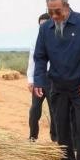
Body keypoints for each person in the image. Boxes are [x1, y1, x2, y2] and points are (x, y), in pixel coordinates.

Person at [33, 0, 80, 160]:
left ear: (67, 6)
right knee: (61, 126)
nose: (54, 16)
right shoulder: (45, 29)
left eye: (58, 11)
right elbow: (39, 57)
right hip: (57, 85)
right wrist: (39, 81)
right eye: (50, 12)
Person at [26, 12, 56, 142]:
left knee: (54, 110)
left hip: (54, 80)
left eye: (45, 25)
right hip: (39, 79)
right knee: (34, 110)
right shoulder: (36, 41)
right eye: (40, 25)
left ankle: (56, 139)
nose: (42, 28)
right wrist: (30, 80)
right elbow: (32, 61)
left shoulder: (58, 39)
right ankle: (33, 137)